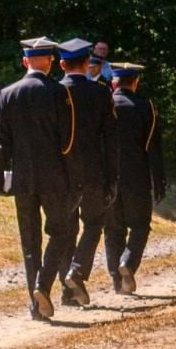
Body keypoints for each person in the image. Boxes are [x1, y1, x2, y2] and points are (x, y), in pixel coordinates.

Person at [0, 38, 76, 320]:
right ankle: (43, 286)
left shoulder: (7, 94)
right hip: (54, 176)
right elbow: (68, 142)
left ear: (25, 62)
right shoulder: (58, 92)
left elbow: (2, 143)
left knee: (29, 241)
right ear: (49, 62)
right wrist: (75, 177)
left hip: (23, 177)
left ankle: (36, 305)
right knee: (60, 232)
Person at [57, 38, 117, 306]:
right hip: (93, 169)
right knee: (94, 223)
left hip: (63, 172)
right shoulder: (101, 93)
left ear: (61, 65)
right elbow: (109, 139)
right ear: (87, 64)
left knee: (67, 228)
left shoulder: (55, 92)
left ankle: (67, 291)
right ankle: (77, 271)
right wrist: (112, 176)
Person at [104, 64, 166, 295]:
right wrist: (159, 180)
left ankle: (117, 282)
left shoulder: (104, 106)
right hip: (137, 178)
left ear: (113, 83)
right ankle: (127, 263)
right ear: (135, 82)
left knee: (112, 228)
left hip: (108, 178)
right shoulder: (145, 107)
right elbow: (153, 147)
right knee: (140, 225)